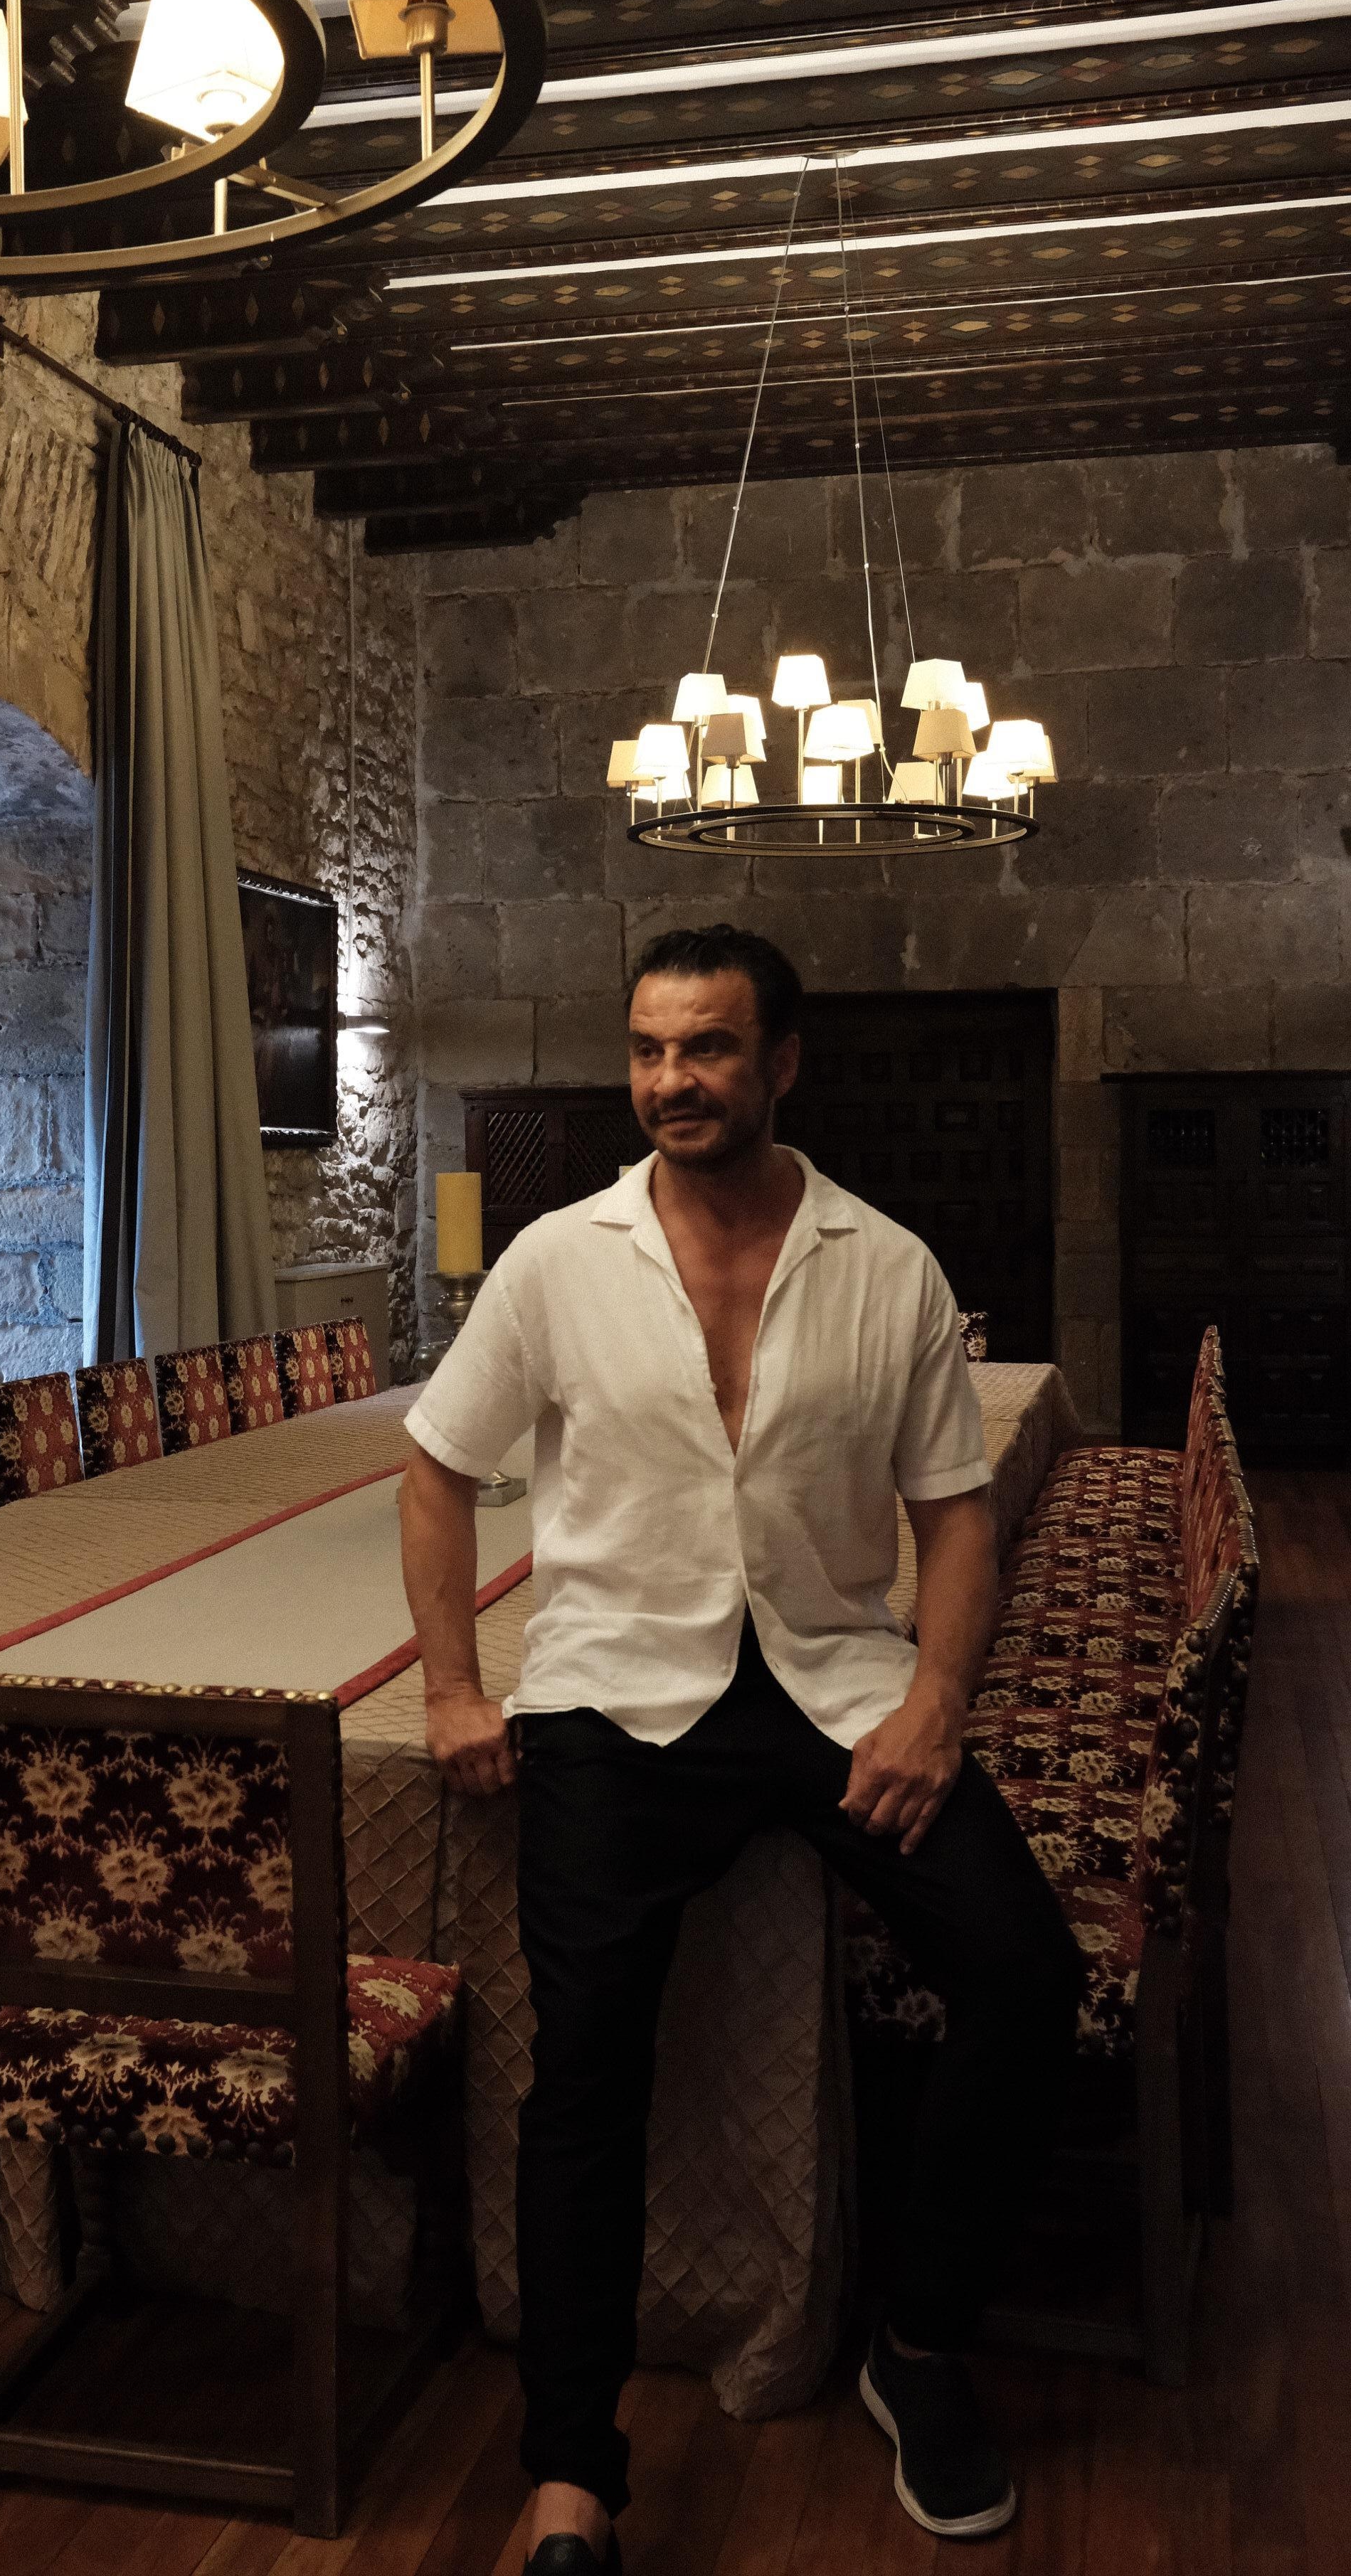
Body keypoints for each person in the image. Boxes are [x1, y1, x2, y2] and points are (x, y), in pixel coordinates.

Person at [400, 925, 1082, 2570]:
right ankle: (569, 2471)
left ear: (780, 1061)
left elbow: (954, 1517)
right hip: (612, 1700)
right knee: (584, 2072)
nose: (669, 1081)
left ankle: (914, 2344)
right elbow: (436, 1468)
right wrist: (448, 1689)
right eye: (646, 1049)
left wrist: (934, 1706)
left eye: (704, 1048)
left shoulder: (885, 1266)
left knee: (1024, 1974)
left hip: (835, 1688)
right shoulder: (555, 1260)